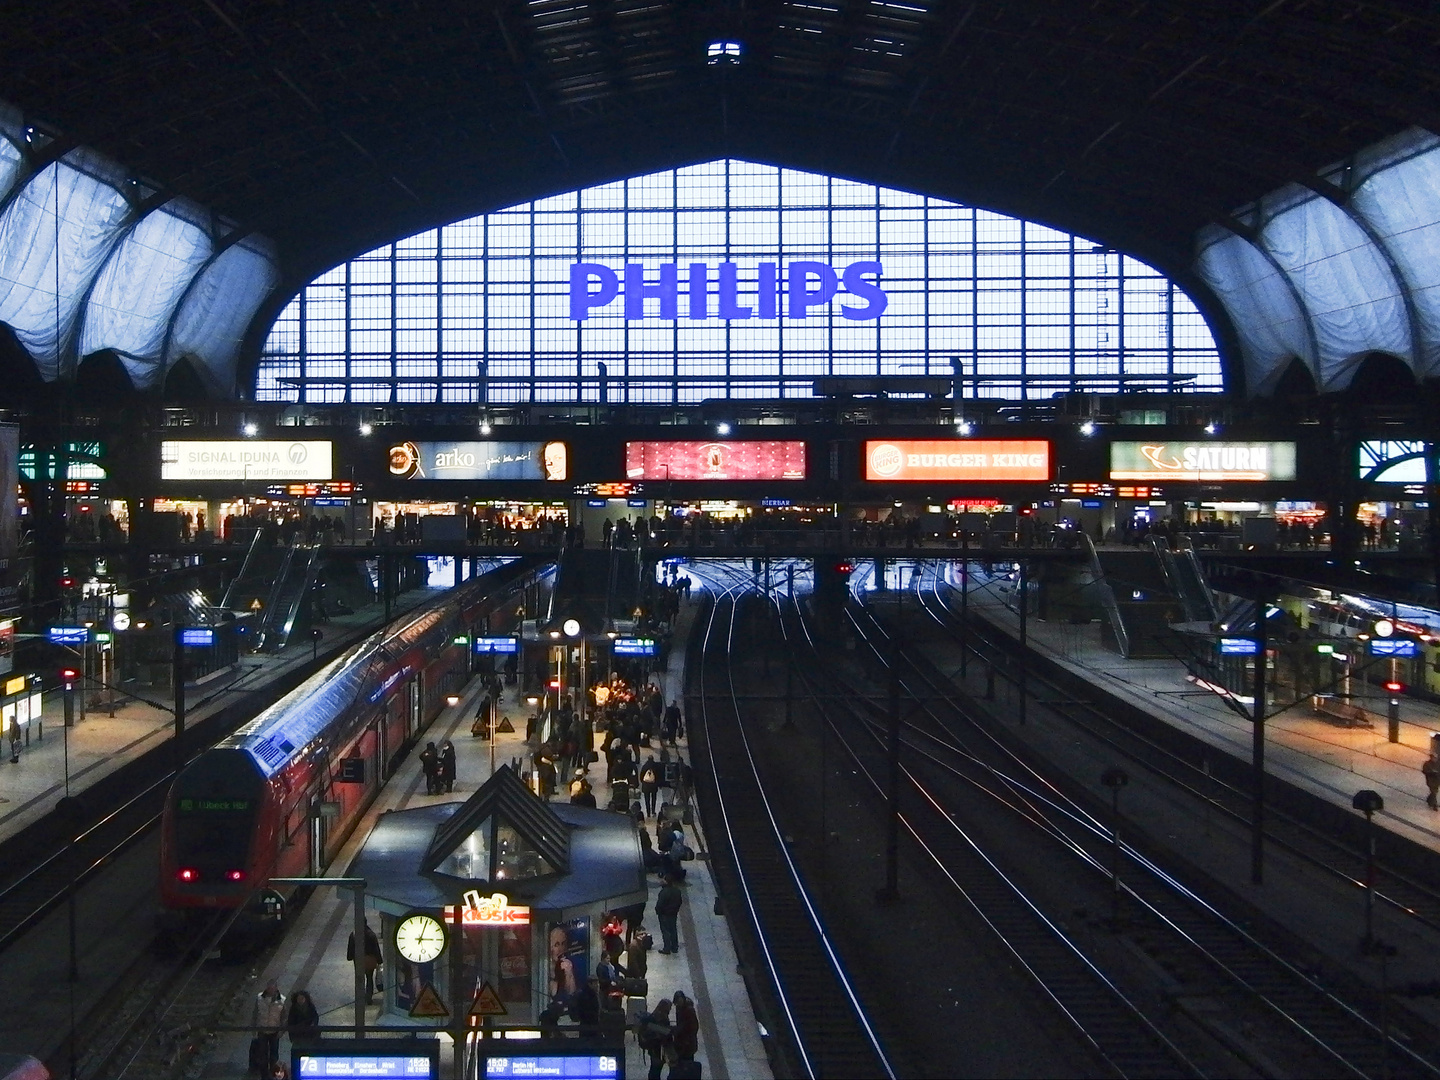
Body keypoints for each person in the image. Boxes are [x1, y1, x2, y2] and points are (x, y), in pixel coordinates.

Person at [251, 979, 286, 1074]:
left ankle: (273, 1072)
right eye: (269, 988)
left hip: (275, 1030)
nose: (270, 990)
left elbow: (283, 1017)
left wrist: (281, 1031)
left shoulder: (282, 1000)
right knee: (262, 1052)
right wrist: (253, 1027)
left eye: (272, 988)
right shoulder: (259, 998)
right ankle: (264, 1073)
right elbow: (255, 1013)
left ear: (276, 988)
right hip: (262, 1029)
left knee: (274, 1053)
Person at [635, 998, 673, 1080]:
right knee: (655, 1070)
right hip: (658, 1049)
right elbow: (665, 1035)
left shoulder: (654, 1016)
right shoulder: (662, 1018)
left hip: (655, 1049)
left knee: (654, 1070)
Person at [346, 921, 383, 1003]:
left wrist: (350, 957)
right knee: (369, 978)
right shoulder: (371, 934)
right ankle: (368, 997)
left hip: (358, 960)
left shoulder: (354, 934)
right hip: (370, 959)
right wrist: (379, 960)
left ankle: (360, 998)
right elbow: (376, 948)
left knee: (359, 979)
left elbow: (351, 947)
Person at [656, 874, 683, 954]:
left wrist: (658, 911)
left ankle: (667, 948)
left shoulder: (663, 892)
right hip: (673, 914)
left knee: (665, 931)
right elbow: (679, 902)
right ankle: (674, 947)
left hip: (664, 915)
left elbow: (659, 905)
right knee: (673, 930)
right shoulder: (677, 891)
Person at [672, 991, 700, 1064]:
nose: (678, 1003)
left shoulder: (689, 1010)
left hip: (687, 1043)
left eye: (680, 1001)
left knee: (687, 1062)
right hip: (682, 1041)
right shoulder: (679, 1008)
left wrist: (680, 1030)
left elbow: (693, 1027)